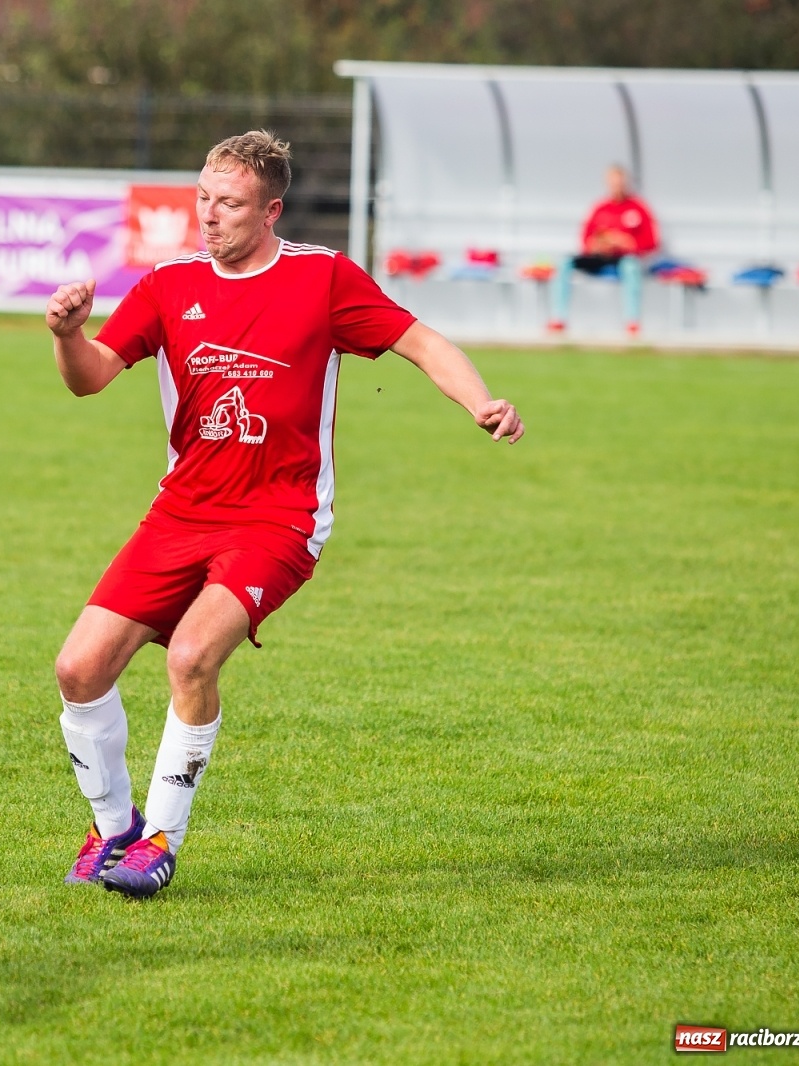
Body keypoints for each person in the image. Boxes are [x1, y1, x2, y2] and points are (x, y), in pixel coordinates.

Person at [45, 131, 524, 900]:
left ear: (270, 210)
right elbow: (90, 379)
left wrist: (482, 401)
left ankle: (161, 837)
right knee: (78, 667)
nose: (208, 216)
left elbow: (420, 341)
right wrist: (68, 337)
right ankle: (112, 831)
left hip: (279, 520)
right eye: (201, 198)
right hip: (182, 512)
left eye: (228, 204)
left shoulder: (323, 278)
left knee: (192, 656)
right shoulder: (169, 285)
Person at [548, 164, 658, 337]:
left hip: (623, 259)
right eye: (613, 183)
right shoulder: (600, 208)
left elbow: (652, 242)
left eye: (620, 182)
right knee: (564, 263)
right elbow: (585, 239)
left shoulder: (638, 208)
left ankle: (632, 322)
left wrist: (627, 242)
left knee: (631, 266)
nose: (617, 187)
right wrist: (596, 244)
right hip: (599, 258)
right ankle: (558, 319)